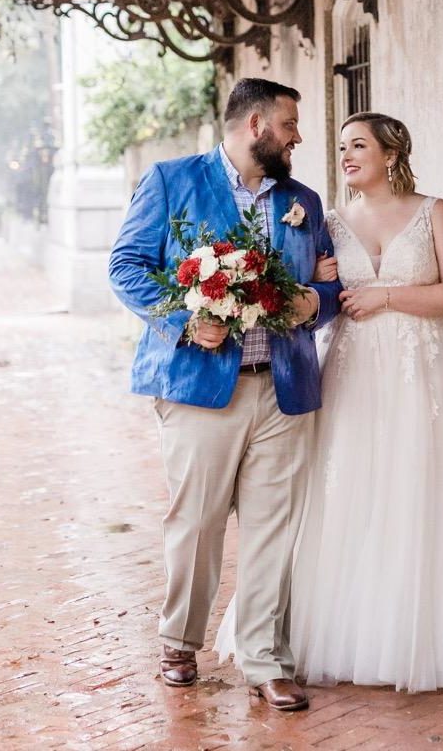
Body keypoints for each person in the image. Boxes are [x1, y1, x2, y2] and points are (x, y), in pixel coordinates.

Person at [216, 111, 443, 692]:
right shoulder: (329, 221)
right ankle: (338, 633)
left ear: (391, 154)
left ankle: (407, 642)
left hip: (425, 370)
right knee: (347, 492)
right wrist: (316, 280)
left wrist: (387, 294)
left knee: (416, 492)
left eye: (358, 145)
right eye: (341, 146)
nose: (345, 154)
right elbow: (308, 290)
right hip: (352, 368)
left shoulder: (434, 211)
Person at [109, 78, 342, 712]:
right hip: (198, 388)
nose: (298, 137)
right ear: (257, 125)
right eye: (291, 124)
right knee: (197, 523)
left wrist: (310, 304)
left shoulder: (304, 201)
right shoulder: (171, 180)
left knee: (274, 528)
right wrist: (185, 318)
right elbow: (125, 266)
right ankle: (180, 640)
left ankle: (265, 659)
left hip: (285, 389)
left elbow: (328, 287)